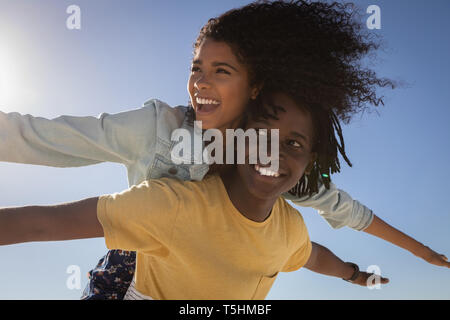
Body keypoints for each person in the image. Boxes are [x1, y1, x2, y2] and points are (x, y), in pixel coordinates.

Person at [0, 0, 447, 299]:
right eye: (196, 69)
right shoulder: (160, 129)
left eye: (220, 70)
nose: (200, 83)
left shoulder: (270, 158)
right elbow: (40, 138)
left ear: (254, 86)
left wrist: (417, 254)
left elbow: (347, 216)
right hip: (136, 256)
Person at [0, 90, 390, 299]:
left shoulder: (290, 228)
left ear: (310, 160)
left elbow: (311, 255)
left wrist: (355, 276)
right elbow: (43, 223)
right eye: (261, 138)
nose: (273, 153)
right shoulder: (172, 204)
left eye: (293, 144)